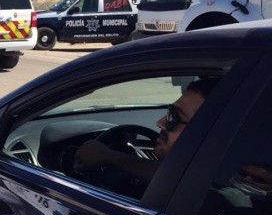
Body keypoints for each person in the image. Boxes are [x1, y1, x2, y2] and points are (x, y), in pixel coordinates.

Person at [74, 78, 219, 185]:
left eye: (175, 117)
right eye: (169, 113)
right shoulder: (221, 172)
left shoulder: (214, 188)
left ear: (211, 132)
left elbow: (186, 182)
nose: (160, 123)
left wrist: (108, 156)